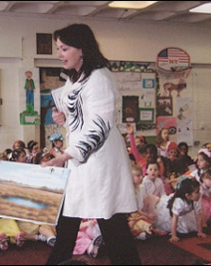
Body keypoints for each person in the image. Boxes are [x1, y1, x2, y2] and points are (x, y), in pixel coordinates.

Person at [42, 24, 140, 265]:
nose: (59, 54)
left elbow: (100, 126)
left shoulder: (100, 78)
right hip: (80, 160)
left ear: (82, 49)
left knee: (111, 221)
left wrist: (66, 155)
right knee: (69, 217)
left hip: (101, 160)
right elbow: (78, 115)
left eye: (64, 48)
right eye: (58, 48)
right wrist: (63, 118)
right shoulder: (76, 77)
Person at [154, 177, 206, 242]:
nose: (199, 194)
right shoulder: (179, 201)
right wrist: (174, 235)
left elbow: (198, 215)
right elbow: (175, 218)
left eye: (199, 191)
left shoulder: (196, 198)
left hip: (182, 212)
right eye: (197, 192)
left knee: (189, 227)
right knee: (167, 224)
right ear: (188, 195)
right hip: (169, 211)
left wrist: (200, 231)